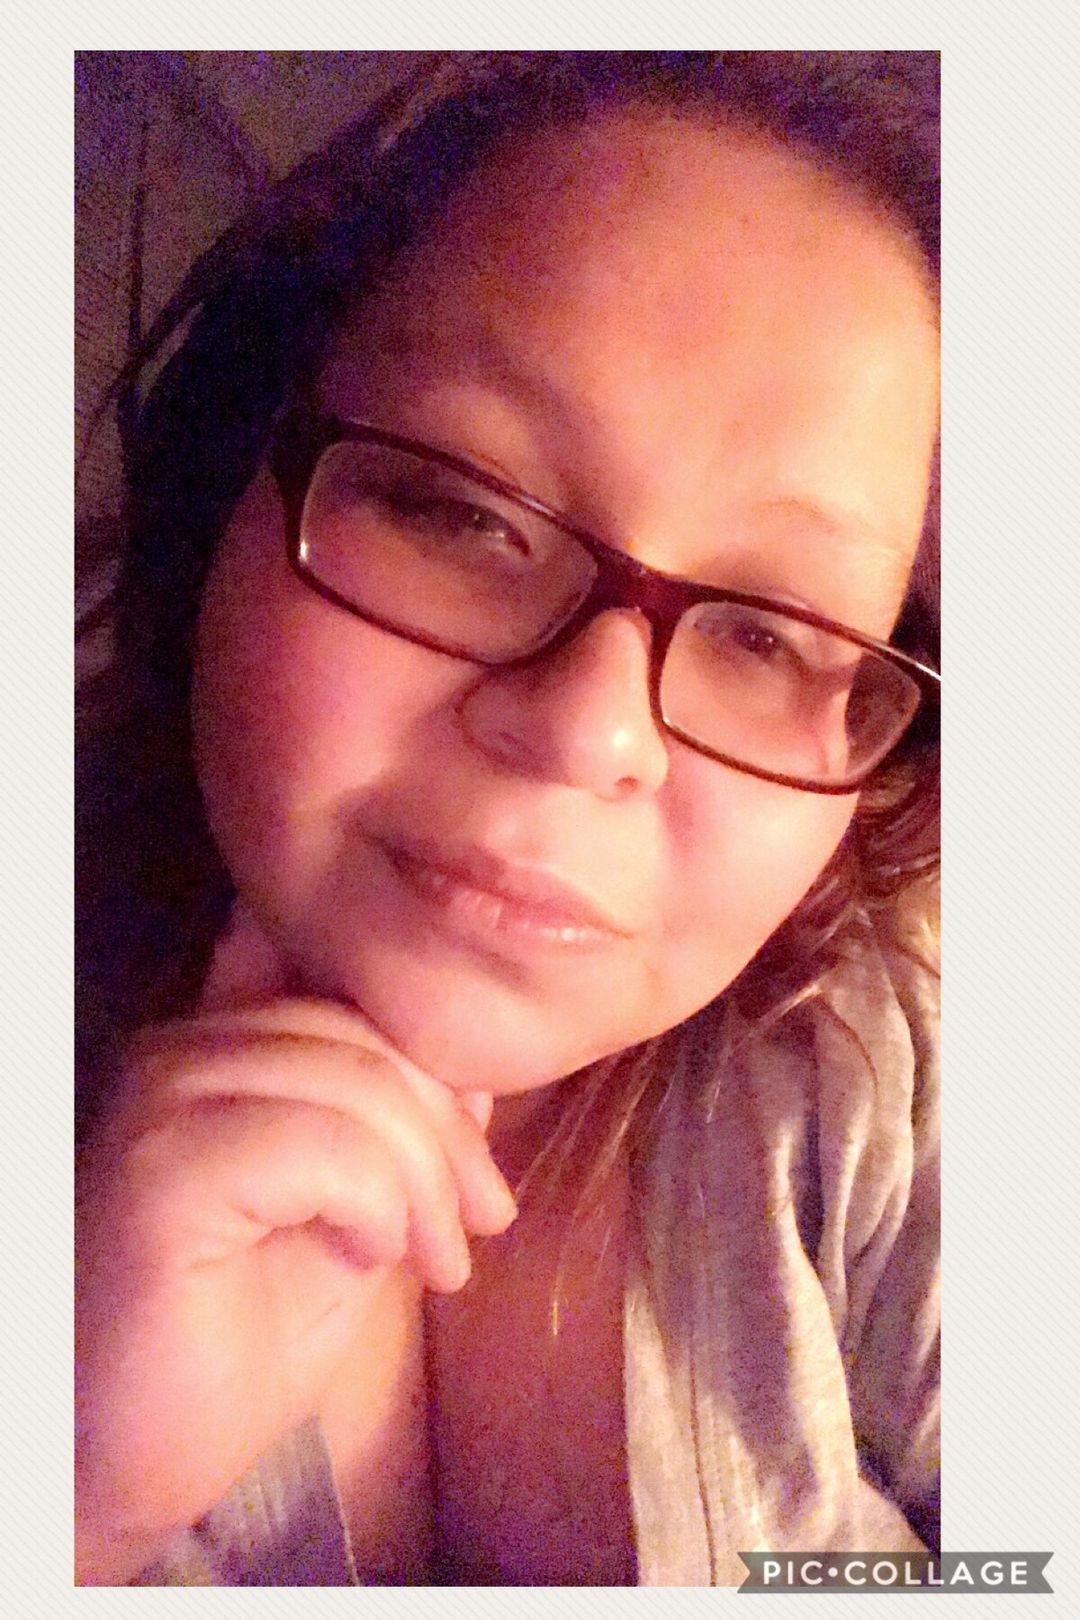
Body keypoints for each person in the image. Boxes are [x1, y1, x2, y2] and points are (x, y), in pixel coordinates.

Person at [75, 50, 941, 1586]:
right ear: (227, 486)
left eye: (769, 635)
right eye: (459, 511)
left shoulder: (893, 1082)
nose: (588, 731)